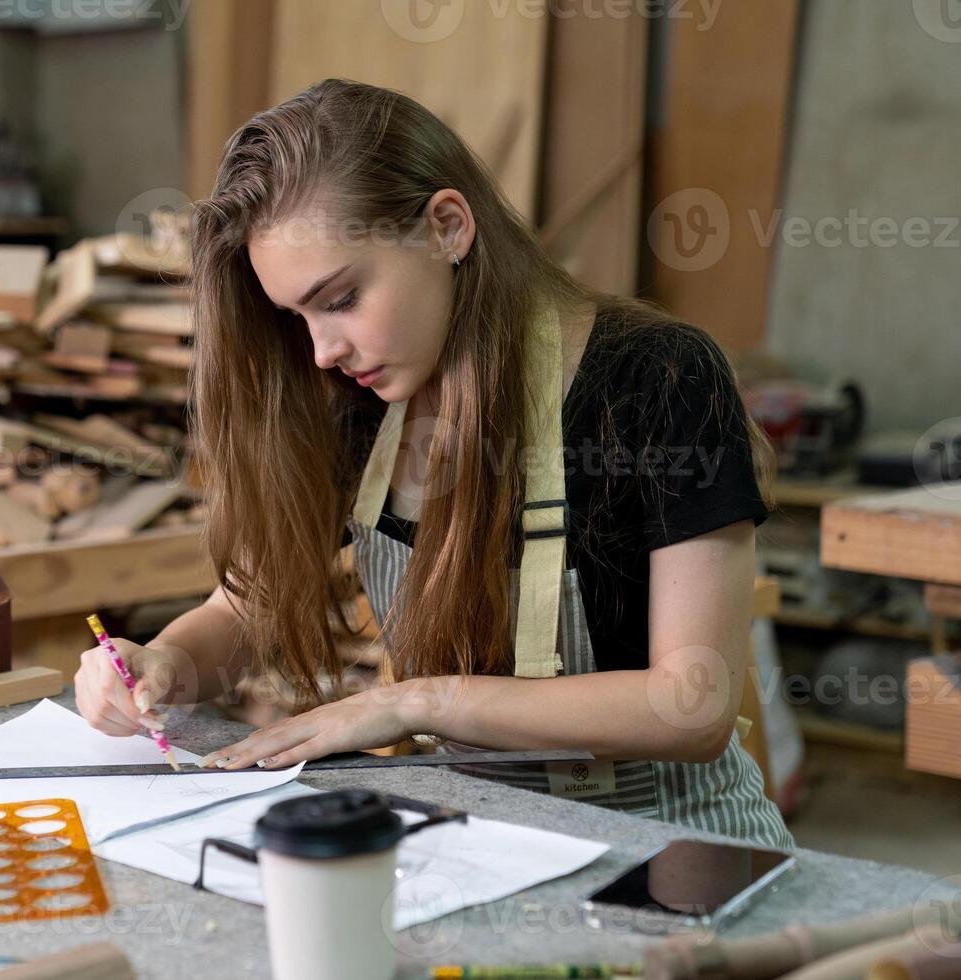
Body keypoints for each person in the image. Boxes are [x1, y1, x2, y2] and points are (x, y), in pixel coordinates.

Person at [75, 78, 793, 849]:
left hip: (679, 849)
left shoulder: (658, 380)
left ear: (447, 228)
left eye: (342, 298)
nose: (323, 349)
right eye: (299, 317)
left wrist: (420, 703)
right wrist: (163, 665)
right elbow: (242, 610)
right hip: (492, 845)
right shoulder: (361, 405)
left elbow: (695, 705)